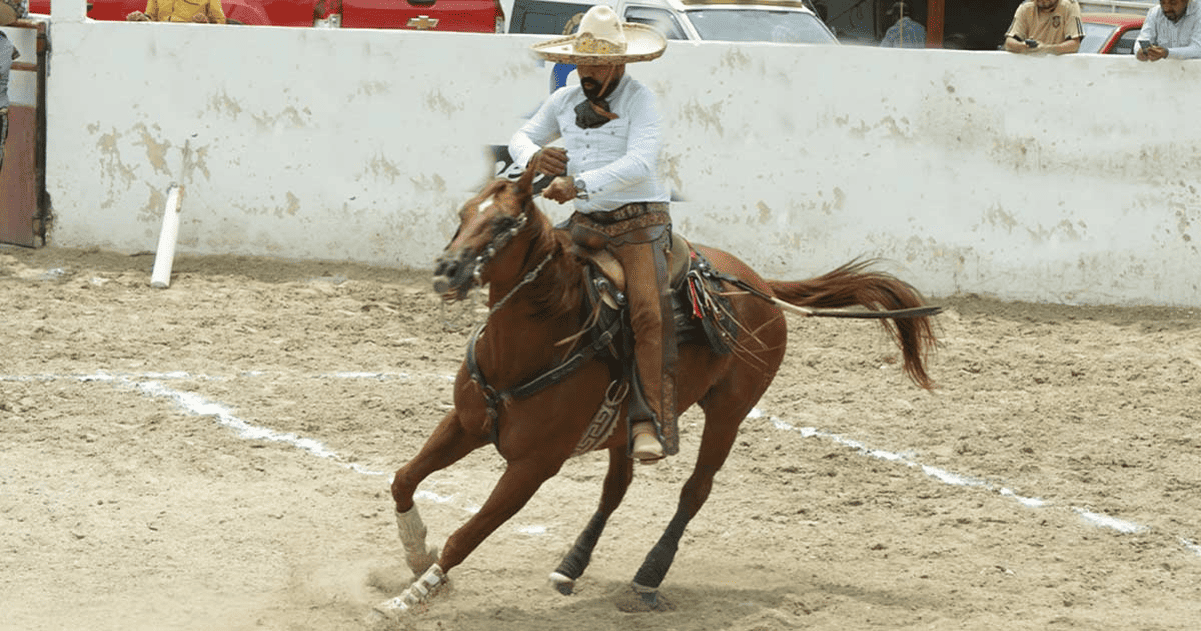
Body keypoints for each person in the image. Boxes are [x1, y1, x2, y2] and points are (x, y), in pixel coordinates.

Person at [509, 5, 674, 463]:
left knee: (648, 314)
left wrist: (578, 184)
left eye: (598, 64)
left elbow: (640, 163)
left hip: (639, 223)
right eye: (583, 62)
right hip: (587, 222)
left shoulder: (640, 99)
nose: (589, 71)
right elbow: (521, 137)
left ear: (619, 64)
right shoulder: (564, 99)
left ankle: (647, 421)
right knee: (533, 281)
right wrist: (533, 157)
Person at [1002, 0, 1084, 55]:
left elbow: (1074, 45)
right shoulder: (1026, 8)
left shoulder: (1069, 6)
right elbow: (1009, 42)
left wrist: (1046, 49)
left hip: (1060, 67)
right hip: (1031, 65)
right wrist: (1024, 46)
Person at [1134, 0, 1201, 61]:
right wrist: (1141, 51)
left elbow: (1198, 49)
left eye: (1173, 3)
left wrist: (1166, 53)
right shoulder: (1155, 12)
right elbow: (1143, 39)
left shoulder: (1198, 12)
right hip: (1163, 68)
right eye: (1162, 2)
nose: (1166, 8)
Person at [127, 0, 227, 23]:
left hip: (194, 40)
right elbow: (151, 16)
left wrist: (205, 23)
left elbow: (220, 21)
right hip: (161, 41)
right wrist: (141, 19)